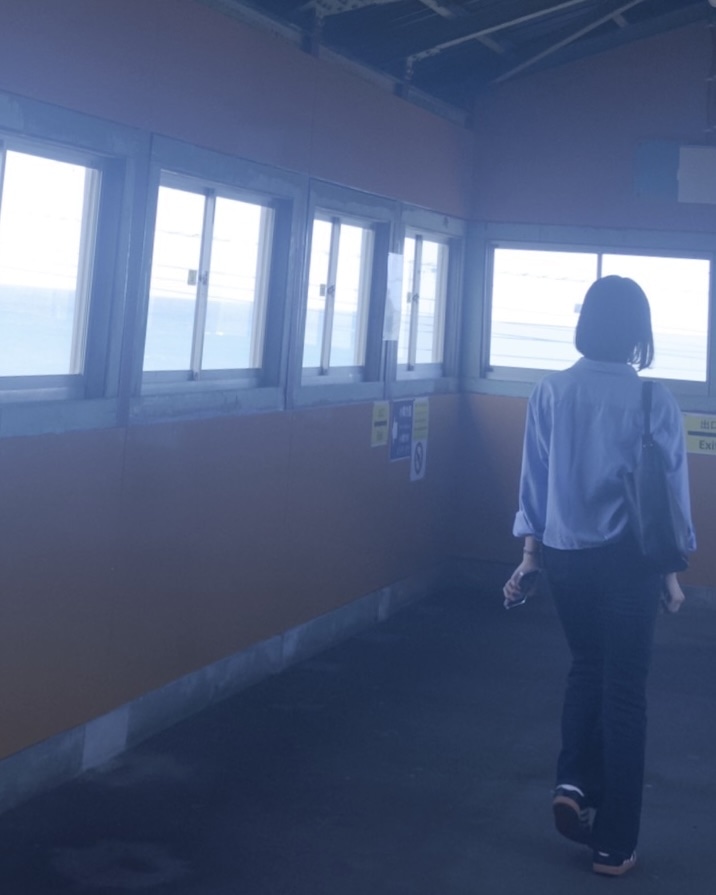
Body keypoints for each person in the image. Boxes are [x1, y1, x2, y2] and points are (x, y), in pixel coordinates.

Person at [503, 275, 696, 878]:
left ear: (585, 322)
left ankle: (573, 782)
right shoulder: (653, 400)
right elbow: (670, 499)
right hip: (629, 562)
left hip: (564, 557)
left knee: (587, 666)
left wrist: (530, 557)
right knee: (625, 693)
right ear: (639, 332)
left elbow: (533, 481)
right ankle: (614, 845)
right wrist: (671, 573)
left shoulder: (551, 391)